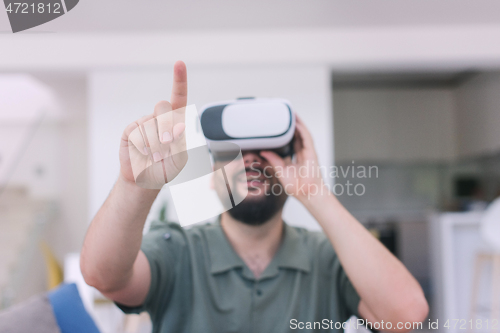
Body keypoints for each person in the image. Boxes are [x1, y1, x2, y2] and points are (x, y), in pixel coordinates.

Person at [80, 61, 428, 333]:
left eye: (266, 151)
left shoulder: (328, 258)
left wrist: (315, 193)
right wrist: (136, 183)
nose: (249, 159)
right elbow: (102, 276)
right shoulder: (178, 249)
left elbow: (407, 315)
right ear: (211, 175)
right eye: (233, 152)